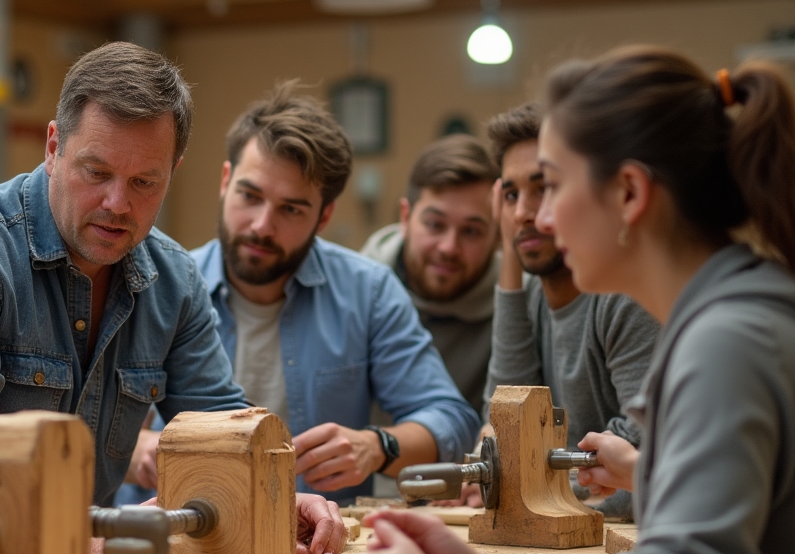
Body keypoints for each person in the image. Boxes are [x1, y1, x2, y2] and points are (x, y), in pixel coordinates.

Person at [322, 47, 795, 554]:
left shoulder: (728, 343)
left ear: (628, 194)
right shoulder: (726, 321)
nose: (536, 221)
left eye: (552, 186)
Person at [0, 44, 345, 554]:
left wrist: (274, 497)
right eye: (96, 172)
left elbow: (221, 433)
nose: (117, 204)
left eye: (144, 182)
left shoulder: (173, 281)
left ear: (173, 172)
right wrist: (85, 539)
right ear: (53, 147)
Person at [125, 83, 478, 506]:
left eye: (290, 209)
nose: (262, 225)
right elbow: (74, 420)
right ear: (225, 181)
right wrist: (135, 447)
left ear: (324, 216)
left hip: (317, 535)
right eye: (250, 196)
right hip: (170, 528)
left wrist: (376, 447)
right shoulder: (155, 284)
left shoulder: (368, 292)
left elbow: (452, 421)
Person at [470, 101, 659, 518]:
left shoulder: (624, 297)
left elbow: (641, 464)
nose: (524, 213)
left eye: (544, 188)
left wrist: (520, 485)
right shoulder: (530, 294)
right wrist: (509, 253)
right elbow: (505, 421)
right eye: (511, 196)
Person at [361, 134, 501, 411]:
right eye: (435, 225)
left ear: (497, 236)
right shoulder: (355, 292)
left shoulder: (518, 305)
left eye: (471, 231)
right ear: (405, 218)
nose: (449, 247)